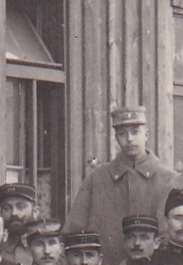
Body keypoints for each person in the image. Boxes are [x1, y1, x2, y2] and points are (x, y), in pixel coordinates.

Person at [67, 106, 174, 255]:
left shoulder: (169, 179)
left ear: (146, 135)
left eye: (135, 132)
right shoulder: (97, 178)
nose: (129, 139)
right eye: (122, 134)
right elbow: (75, 227)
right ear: (116, 138)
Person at [0, 182, 41, 265]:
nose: (14, 213)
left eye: (21, 206)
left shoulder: (49, 248)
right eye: (7, 208)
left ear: (35, 211)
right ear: (1, 213)